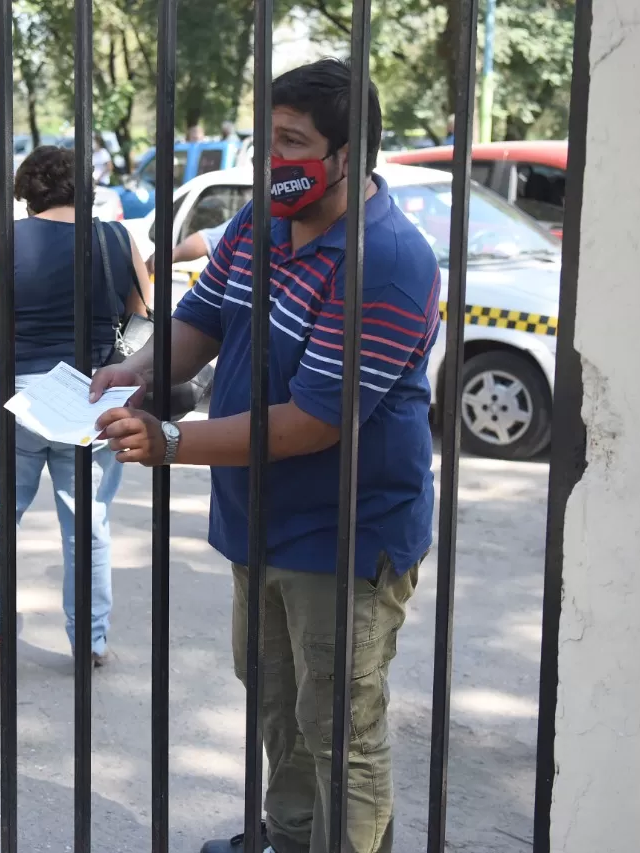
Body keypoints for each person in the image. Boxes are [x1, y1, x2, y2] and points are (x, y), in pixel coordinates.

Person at [91, 59, 440, 853]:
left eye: (293, 141)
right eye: (266, 139)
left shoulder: (386, 260)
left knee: (340, 722)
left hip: (344, 535)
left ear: (350, 154)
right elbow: (204, 317)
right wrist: (137, 371)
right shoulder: (260, 221)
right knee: (277, 699)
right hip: (259, 518)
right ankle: (287, 838)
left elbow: (315, 422)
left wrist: (170, 440)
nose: (273, 159)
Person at [0, 145, 151, 671]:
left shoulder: (5, 240)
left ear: (24, 191)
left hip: (11, 389)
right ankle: (89, 638)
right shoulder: (114, 238)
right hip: (89, 396)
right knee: (87, 519)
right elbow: (146, 319)